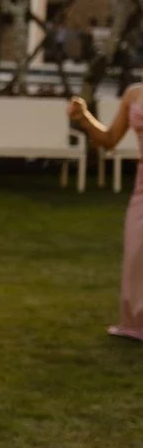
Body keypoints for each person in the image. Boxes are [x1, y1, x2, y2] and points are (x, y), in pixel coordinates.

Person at [68, 85, 143, 341]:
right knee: (136, 254)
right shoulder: (134, 93)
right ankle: (136, 323)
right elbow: (110, 140)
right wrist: (84, 117)